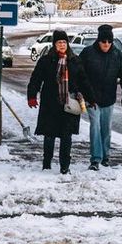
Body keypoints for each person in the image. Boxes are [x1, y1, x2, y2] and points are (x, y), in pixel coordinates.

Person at [27, 30, 95, 174]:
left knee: (66, 136)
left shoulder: (75, 60)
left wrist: (91, 98)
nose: (62, 45)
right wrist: (32, 96)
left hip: (69, 103)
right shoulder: (46, 60)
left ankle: (65, 166)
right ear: (54, 44)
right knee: (49, 135)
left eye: (64, 42)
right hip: (50, 103)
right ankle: (46, 164)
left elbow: (84, 81)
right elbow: (36, 79)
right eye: (59, 42)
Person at [79, 23, 122, 171]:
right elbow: (79, 73)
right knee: (95, 126)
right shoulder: (88, 53)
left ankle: (105, 157)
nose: (107, 44)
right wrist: (80, 92)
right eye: (104, 41)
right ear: (98, 40)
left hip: (108, 98)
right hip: (92, 98)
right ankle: (96, 158)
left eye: (109, 41)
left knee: (106, 128)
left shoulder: (117, 55)